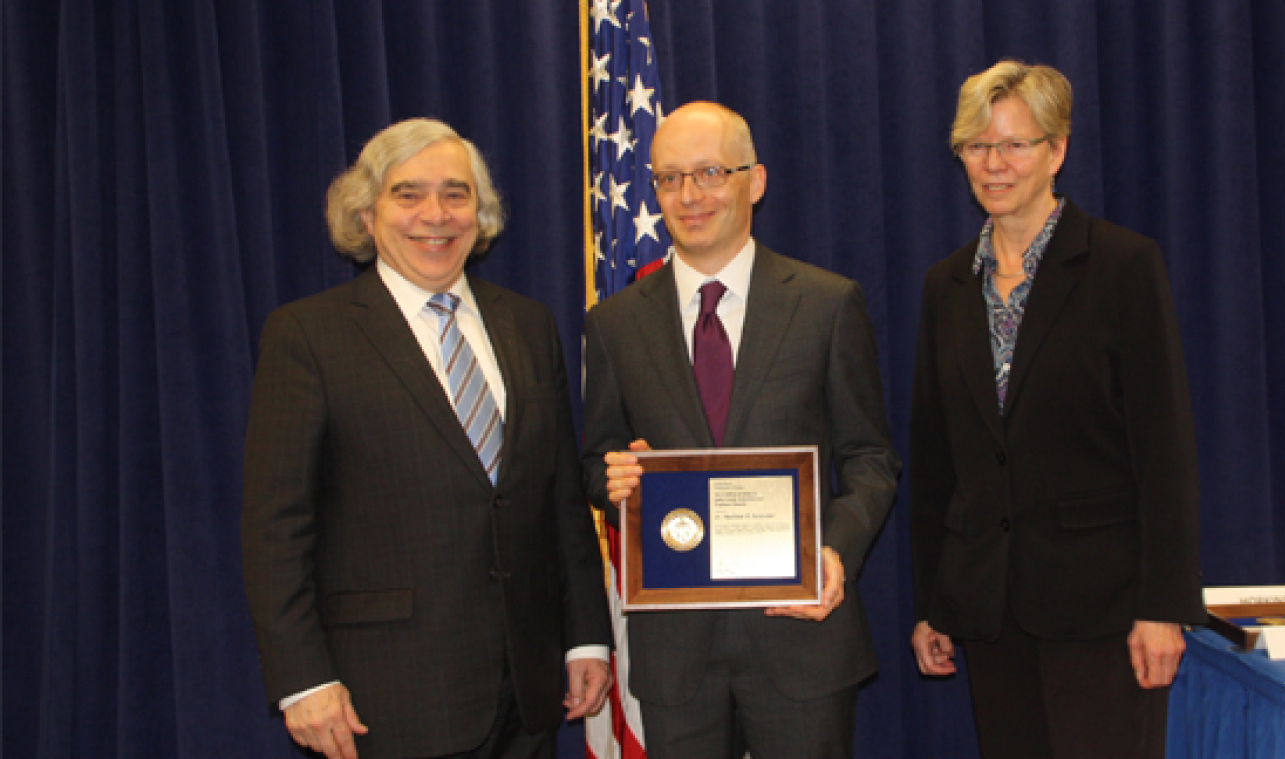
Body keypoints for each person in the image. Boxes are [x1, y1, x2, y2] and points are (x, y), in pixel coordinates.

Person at [241, 118, 612, 759]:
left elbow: (558, 504)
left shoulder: (528, 324)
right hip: (387, 697)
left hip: (527, 694)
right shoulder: (308, 336)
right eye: (407, 194)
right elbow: (276, 528)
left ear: (481, 212)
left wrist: (585, 638)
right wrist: (302, 678)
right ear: (365, 215)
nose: (434, 215)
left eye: (456, 193)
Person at [583, 101, 902, 759]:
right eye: (668, 178)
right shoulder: (614, 324)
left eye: (708, 172)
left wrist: (834, 553)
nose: (687, 195)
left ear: (754, 180)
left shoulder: (826, 302)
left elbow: (870, 457)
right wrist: (609, 475)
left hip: (800, 641)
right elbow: (596, 459)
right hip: (676, 655)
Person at [908, 60, 1206, 758]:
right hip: (990, 610)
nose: (994, 164)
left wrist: (1163, 605)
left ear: (1057, 150)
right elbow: (934, 460)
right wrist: (932, 603)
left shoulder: (1123, 266)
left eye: (1015, 144)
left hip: (1105, 610)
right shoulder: (945, 284)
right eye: (977, 146)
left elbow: (1165, 449)